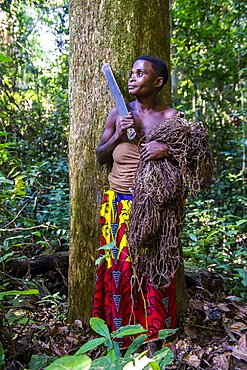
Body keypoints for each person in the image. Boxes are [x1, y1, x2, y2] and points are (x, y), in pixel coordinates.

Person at [92, 55, 212, 350]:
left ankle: (154, 338)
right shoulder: (118, 114)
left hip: (157, 209)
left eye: (140, 73)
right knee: (120, 269)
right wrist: (118, 134)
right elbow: (100, 156)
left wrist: (166, 150)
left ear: (157, 82)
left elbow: (196, 160)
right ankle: (119, 338)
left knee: (154, 268)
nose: (132, 78)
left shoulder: (172, 118)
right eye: (131, 72)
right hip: (118, 207)